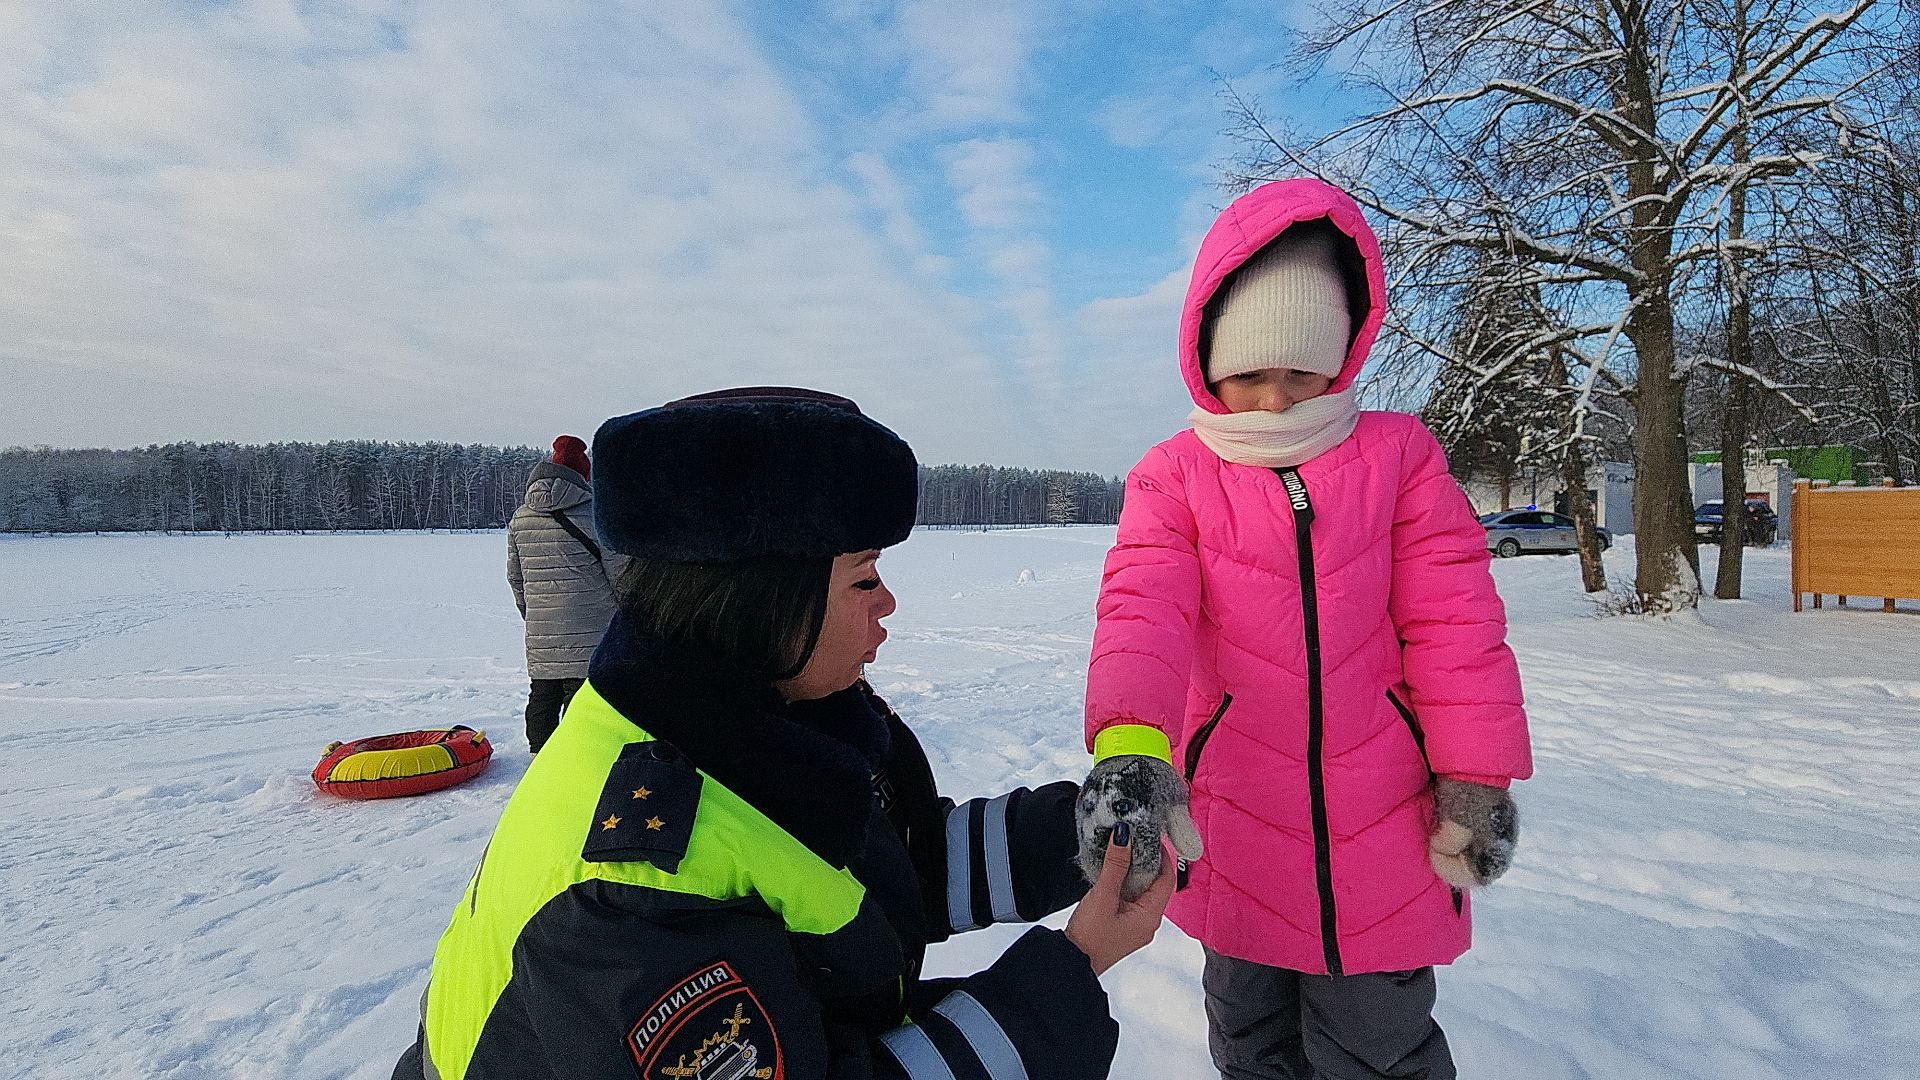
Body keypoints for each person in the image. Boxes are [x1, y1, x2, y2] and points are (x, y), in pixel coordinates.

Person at [396, 387, 1172, 1080]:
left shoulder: (752, 724)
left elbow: (891, 866)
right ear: (767, 601)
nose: (888, 602)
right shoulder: (635, 894)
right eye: (863, 577)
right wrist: (1076, 966)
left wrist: (1089, 835)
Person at [1074, 179, 1534, 1080]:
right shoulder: (1175, 476)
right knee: (1251, 1042)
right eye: (1250, 375)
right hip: (1234, 819)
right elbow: (1142, 611)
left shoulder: (1398, 458)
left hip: (1384, 824)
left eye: (1302, 373)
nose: (1277, 403)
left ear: (1343, 357)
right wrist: (1130, 750)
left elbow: (1455, 622)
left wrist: (1476, 775)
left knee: (1377, 1048)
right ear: (1205, 359)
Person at [506, 434, 625, 753]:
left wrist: (533, 614)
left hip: (541, 626)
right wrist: (623, 610)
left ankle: (539, 754)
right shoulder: (595, 514)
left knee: (543, 693)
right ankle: (576, 756)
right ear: (583, 475)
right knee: (581, 694)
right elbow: (618, 572)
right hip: (591, 623)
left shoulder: (521, 517)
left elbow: (515, 577)